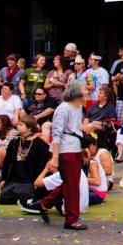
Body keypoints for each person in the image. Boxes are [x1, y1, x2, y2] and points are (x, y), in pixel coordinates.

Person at [28, 80, 88, 230]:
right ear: (76, 92)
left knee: (71, 182)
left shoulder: (78, 107)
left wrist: (83, 146)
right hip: (65, 150)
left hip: (75, 148)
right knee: (72, 185)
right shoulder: (63, 108)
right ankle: (71, 219)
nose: (87, 92)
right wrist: (55, 157)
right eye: (84, 89)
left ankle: (44, 204)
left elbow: (76, 129)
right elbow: (57, 133)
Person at [0, 115, 49, 205]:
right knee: (3, 199)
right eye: (18, 124)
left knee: (25, 197)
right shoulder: (15, 141)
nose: (18, 126)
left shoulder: (40, 144)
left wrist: (37, 183)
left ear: (29, 127)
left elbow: (42, 165)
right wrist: (3, 179)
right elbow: (7, 162)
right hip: (14, 180)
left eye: (21, 125)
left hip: (29, 181)